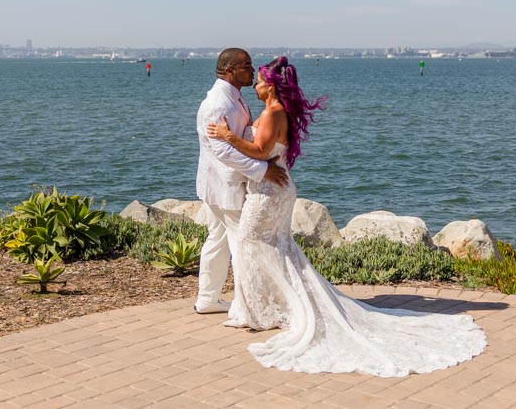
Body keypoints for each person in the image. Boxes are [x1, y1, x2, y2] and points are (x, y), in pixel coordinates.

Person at [207, 56, 486, 376]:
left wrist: (228, 136)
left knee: (250, 243)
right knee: (276, 247)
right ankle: (273, 307)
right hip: (275, 189)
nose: (254, 86)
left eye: (258, 81)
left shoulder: (272, 113)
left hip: (269, 193)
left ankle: (262, 311)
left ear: (270, 86)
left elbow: (258, 151)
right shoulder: (276, 111)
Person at [194, 48, 289, 314]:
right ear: (230, 71)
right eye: (246, 66)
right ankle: (245, 305)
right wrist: (262, 170)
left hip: (220, 185)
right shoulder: (218, 104)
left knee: (219, 239)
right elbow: (222, 150)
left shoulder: (232, 97)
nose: (251, 70)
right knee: (241, 244)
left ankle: (208, 299)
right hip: (226, 187)